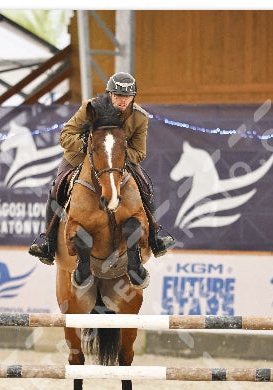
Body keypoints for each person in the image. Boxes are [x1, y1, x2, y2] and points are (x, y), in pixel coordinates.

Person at [28, 71, 176, 265]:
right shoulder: (90, 108)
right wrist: (85, 145)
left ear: (133, 97)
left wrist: (115, 156)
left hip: (119, 163)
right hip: (81, 158)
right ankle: (47, 242)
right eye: (118, 96)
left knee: (145, 186)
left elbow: (139, 153)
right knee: (57, 187)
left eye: (127, 97)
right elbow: (65, 136)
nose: (122, 101)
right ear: (109, 94)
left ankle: (155, 236)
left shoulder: (140, 117)